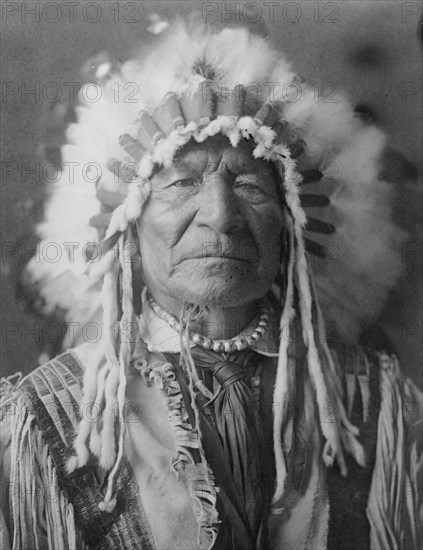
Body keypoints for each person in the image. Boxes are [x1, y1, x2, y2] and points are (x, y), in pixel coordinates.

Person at [1, 21, 422, 550]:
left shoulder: (376, 405)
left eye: (248, 183)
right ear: (126, 229)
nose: (221, 216)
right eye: (181, 183)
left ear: (292, 223)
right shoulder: (47, 423)